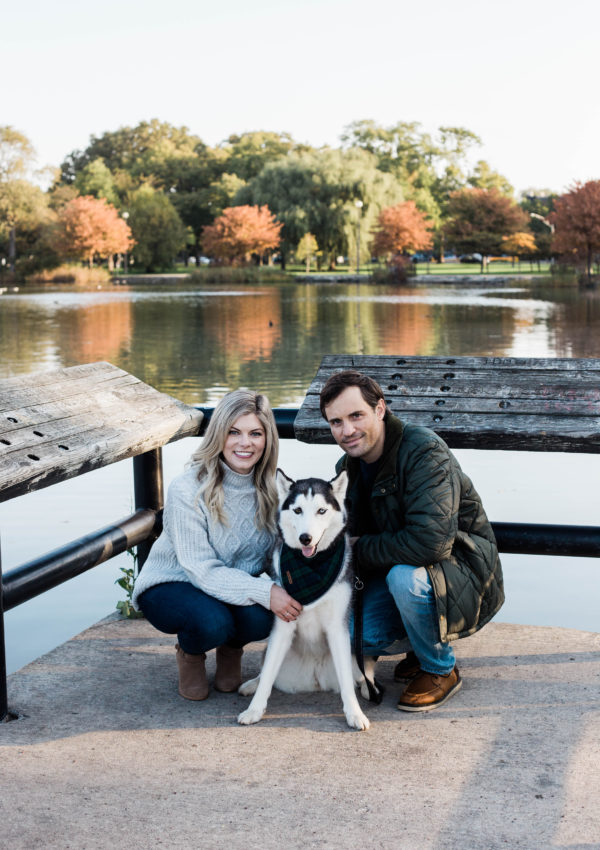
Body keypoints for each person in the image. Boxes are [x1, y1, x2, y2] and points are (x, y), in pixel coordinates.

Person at [319, 370, 504, 712]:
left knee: (403, 578)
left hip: (461, 570)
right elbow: (339, 535)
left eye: (356, 415)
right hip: (402, 569)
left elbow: (430, 544)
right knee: (348, 637)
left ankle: (439, 668)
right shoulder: (348, 465)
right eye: (336, 422)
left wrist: (357, 548)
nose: (347, 431)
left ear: (380, 410)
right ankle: (418, 648)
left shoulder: (424, 451)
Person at [132, 389, 302, 701]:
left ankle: (230, 650)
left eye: (255, 433)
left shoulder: (274, 491)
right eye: (233, 432)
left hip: (228, 585)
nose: (244, 443)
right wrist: (266, 591)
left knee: (264, 617)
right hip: (175, 582)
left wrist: (286, 589)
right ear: (219, 434)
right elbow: (200, 570)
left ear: (268, 439)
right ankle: (190, 653)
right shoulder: (188, 488)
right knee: (211, 621)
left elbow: (279, 560)